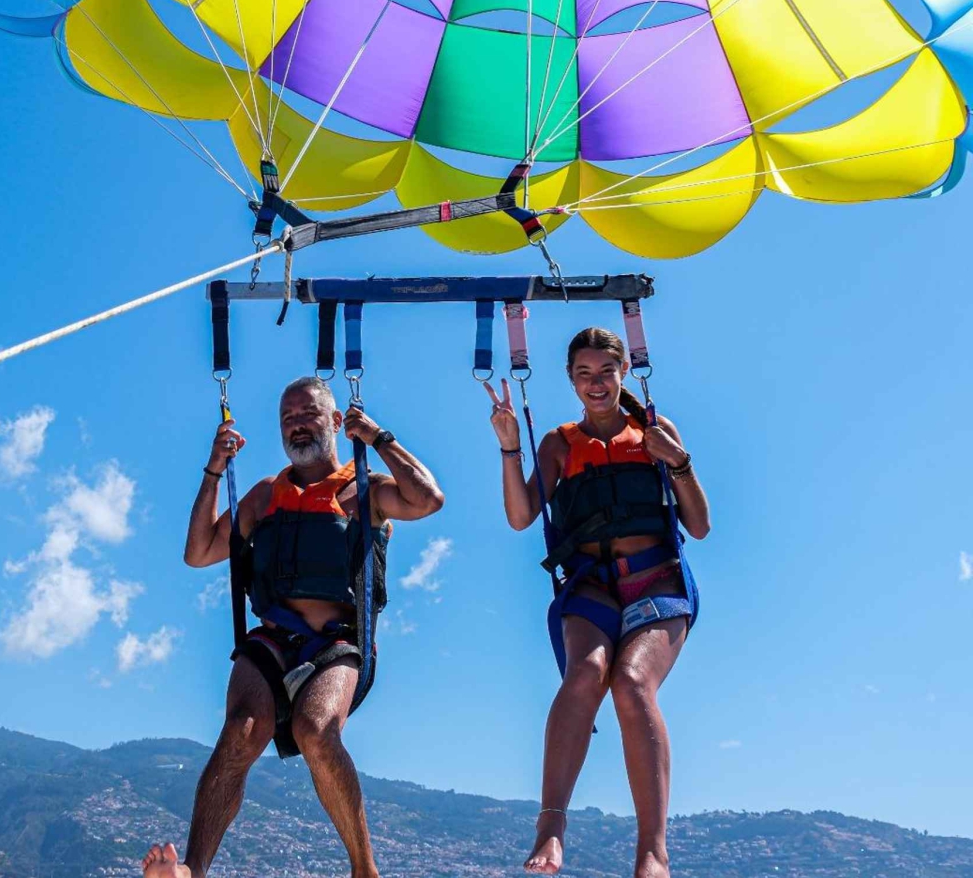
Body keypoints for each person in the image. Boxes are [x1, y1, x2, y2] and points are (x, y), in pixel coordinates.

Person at [142, 376, 444, 878]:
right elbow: (199, 552)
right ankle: (192, 869)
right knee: (241, 731)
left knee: (316, 731)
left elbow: (428, 499)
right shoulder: (265, 495)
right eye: (288, 418)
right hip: (272, 639)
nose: (297, 425)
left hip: (337, 642)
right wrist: (214, 470)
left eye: (308, 414)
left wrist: (378, 438)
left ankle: (364, 870)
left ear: (336, 421)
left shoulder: (363, 488)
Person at [485, 328, 710, 878]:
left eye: (605, 372)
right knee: (585, 674)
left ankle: (652, 851)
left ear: (622, 373)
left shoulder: (655, 431)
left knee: (631, 684)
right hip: (590, 586)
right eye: (584, 374)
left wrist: (679, 462)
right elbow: (521, 516)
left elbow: (700, 526)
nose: (596, 384)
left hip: (657, 584)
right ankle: (550, 828)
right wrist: (510, 446)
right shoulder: (559, 444)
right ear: (571, 380)